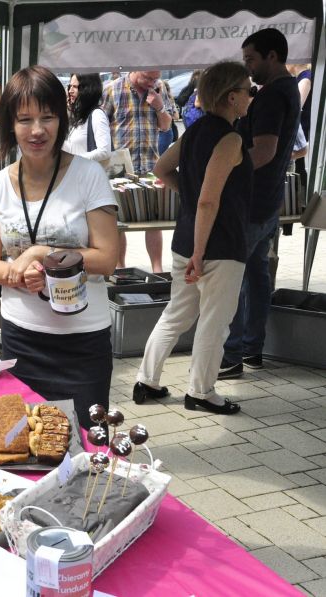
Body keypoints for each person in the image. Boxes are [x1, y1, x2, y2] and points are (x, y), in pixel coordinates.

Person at [0, 66, 119, 428]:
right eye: (24, 119)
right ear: (10, 123)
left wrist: (40, 253)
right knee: (24, 444)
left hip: (83, 341)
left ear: (62, 119)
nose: (37, 130)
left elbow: (107, 259)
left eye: (47, 117)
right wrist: (18, 276)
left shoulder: (89, 175)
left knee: (85, 442)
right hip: (21, 338)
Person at [134, 62, 254, 415]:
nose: (251, 96)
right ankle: (201, 391)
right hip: (218, 246)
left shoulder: (195, 132)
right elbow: (208, 199)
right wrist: (201, 250)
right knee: (215, 322)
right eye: (249, 90)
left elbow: (161, 169)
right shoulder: (230, 138)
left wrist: (187, 200)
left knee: (176, 314)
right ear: (232, 97)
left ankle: (146, 380)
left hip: (186, 240)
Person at [219, 28, 301, 379]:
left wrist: (227, 170)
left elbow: (264, 151)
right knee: (255, 273)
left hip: (253, 203)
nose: (247, 66)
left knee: (235, 276)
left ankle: (232, 355)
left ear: (272, 56)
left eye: (251, 59)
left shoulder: (270, 97)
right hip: (269, 201)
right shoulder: (289, 89)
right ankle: (252, 348)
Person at [103, 70, 176, 273]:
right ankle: (120, 268)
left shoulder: (158, 89)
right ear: (135, 71)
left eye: (155, 78)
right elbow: (100, 125)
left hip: (149, 163)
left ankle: (157, 269)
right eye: (148, 78)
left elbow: (166, 126)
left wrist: (160, 106)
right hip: (120, 168)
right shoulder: (112, 89)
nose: (152, 82)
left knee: (155, 220)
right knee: (118, 222)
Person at [63, 73, 112, 163]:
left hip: (88, 173)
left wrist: (75, 160)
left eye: (75, 87)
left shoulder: (97, 114)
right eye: (70, 86)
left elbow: (105, 151)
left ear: (87, 89)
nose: (70, 91)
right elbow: (74, 147)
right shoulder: (79, 115)